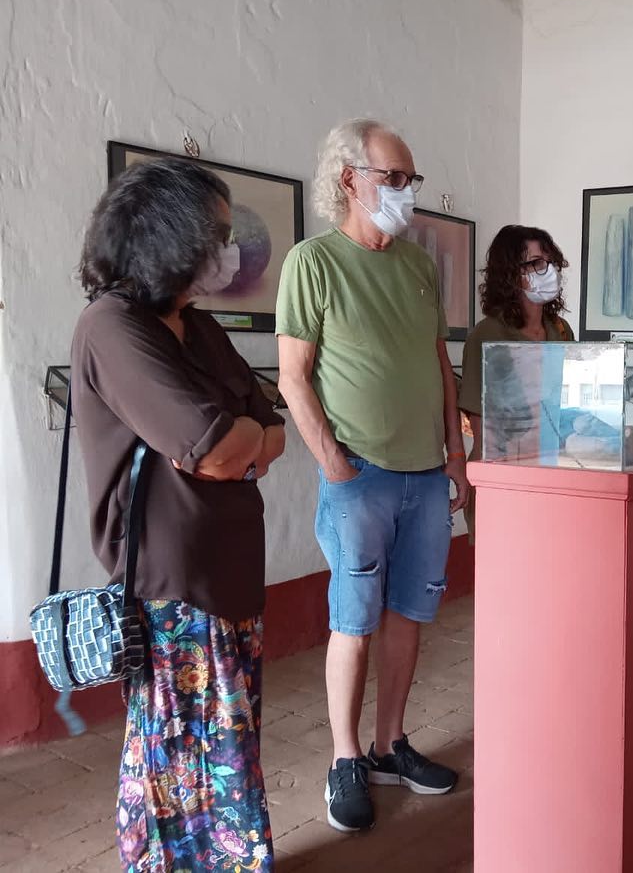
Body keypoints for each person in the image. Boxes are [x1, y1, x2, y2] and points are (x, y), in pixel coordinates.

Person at [71, 158, 286, 870]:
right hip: (172, 588)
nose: (227, 250)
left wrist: (242, 444)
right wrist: (238, 445)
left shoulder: (197, 326)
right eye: (216, 235)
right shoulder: (113, 327)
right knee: (180, 752)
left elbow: (269, 427)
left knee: (226, 742)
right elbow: (218, 447)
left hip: (231, 576)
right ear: (169, 236)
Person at [275, 118, 466, 832]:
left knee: (409, 616)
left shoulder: (417, 265)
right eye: (395, 177)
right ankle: (346, 758)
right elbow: (293, 377)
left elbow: (439, 365)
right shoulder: (313, 262)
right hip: (361, 478)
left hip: (427, 475)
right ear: (349, 178)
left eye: (411, 178)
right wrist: (334, 463)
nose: (406, 190)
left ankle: (391, 745)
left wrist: (455, 454)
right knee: (353, 621)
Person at [457, 225, 575, 537]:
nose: (548, 271)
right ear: (510, 273)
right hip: (504, 476)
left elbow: (568, 404)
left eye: (550, 262)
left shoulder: (560, 330)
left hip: (554, 471)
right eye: (536, 263)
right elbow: (481, 427)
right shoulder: (488, 334)